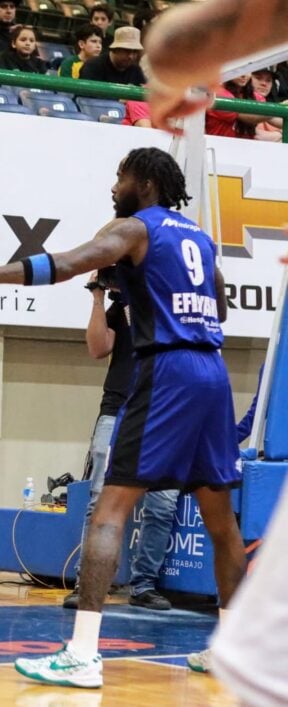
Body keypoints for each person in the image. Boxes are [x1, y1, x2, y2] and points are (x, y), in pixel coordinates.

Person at [0, 147, 247, 689]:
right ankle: (234, 651)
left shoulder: (135, 229)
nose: (114, 185)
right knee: (221, 520)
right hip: (213, 371)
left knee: (109, 510)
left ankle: (81, 653)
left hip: (168, 372)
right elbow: (222, 308)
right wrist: (149, 289)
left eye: (120, 177)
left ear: (143, 181)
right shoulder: (201, 237)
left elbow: (67, 263)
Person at [141, 2, 288, 702]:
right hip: (200, 374)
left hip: (177, 374)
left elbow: (177, 43)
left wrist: (184, 71)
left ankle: (80, 649)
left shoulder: (150, 234)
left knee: (260, 671)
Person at [62, 272, 179, 613]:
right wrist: (98, 298)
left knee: (163, 503)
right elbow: (98, 347)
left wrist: (135, 295)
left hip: (161, 414)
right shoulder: (118, 308)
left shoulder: (167, 305)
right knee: (99, 498)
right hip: (117, 411)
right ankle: (89, 583)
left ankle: (143, 585)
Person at [144, 0, 288, 133]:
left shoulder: (252, 94)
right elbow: (252, 116)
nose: (245, 74)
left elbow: (276, 119)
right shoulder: (218, 91)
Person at [206, 75, 283, 140]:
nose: (243, 75)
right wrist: (278, 109)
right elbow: (251, 117)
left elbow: (275, 119)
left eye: (247, 70)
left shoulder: (254, 96)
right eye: (238, 70)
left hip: (245, 149)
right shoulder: (217, 93)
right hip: (218, 148)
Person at [78, 26, 146, 86]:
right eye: (126, 51)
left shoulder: (136, 70)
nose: (131, 56)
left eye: (135, 52)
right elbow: (84, 97)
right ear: (115, 49)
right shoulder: (93, 66)